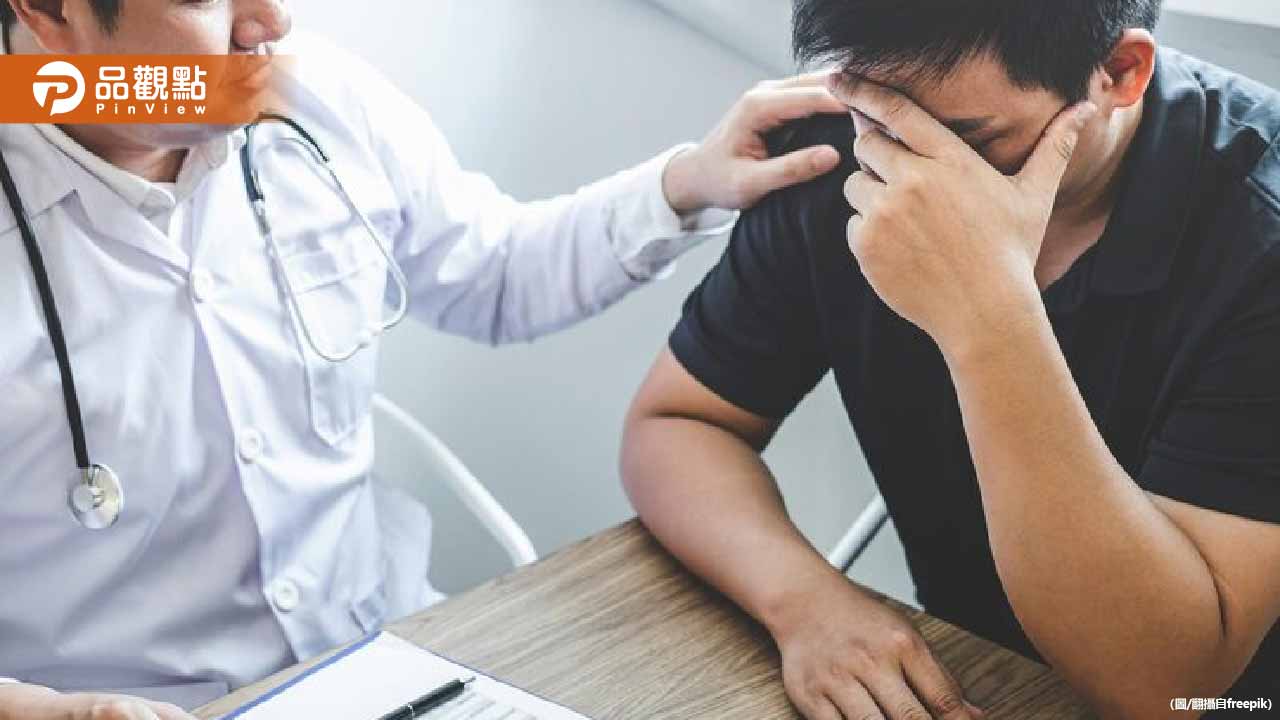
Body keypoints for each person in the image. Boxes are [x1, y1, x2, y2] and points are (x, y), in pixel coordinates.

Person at [0, 0, 852, 717]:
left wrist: (688, 183)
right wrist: (56, 712)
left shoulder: (312, 97)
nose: (269, 21)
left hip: (397, 666)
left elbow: (496, 274)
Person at [622, 1, 1280, 718]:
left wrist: (989, 314)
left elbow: (1166, 689)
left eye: (970, 140)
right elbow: (678, 424)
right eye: (880, 122)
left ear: (1120, 73)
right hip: (976, 674)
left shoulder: (1259, 240)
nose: (915, 176)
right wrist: (806, 602)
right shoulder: (841, 148)